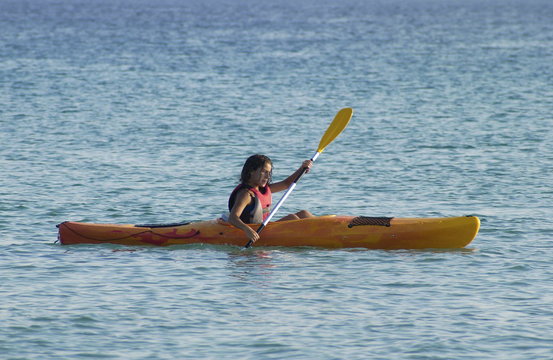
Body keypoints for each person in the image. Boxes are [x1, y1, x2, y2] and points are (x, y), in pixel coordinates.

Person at [228, 154, 314, 244]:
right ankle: (316, 237)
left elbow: (286, 184)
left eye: (269, 173)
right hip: (255, 232)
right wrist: (247, 229)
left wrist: (302, 169)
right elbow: (233, 218)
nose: (267, 176)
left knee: (304, 214)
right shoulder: (246, 194)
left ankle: (324, 229)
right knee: (292, 218)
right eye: (264, 172)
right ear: (251, 171)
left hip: (265, 228)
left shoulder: (263, 189)